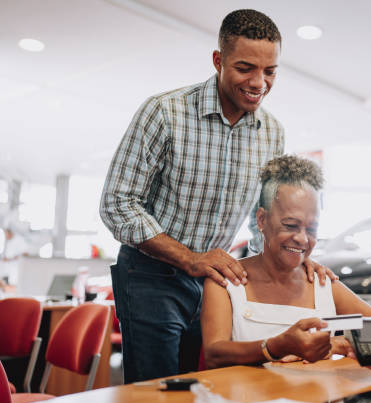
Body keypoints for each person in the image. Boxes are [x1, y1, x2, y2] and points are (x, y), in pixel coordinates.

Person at [100, 9, 333, 383]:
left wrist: (295, 258)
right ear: (218, 60)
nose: (259, 82)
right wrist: (190, 259)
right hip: (150, 273)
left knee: (205, 386)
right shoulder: (164, 111)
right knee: (156, 389)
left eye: (270, 71)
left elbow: (266, 215)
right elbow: (118, 204)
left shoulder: (271, 132)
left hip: (214, 280)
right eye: (245, 69)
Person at [201, 155, 371, 368]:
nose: (303, 239)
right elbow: (215, 353)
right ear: (262, 220)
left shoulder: (323, 284)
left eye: (311, 229)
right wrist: (277, 347)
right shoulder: (226, 280)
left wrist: (335, 345)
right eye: (291, 225)